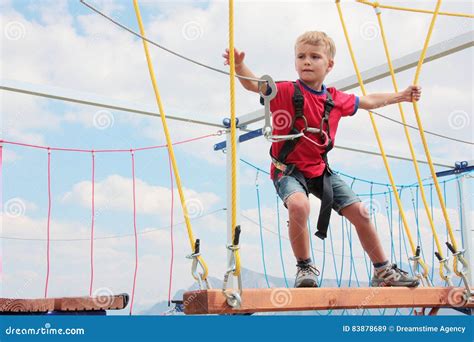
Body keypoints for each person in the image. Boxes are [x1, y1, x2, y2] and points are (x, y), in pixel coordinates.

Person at [223, 31, 422, 288]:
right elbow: (255, 85)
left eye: (314, 57)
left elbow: (370, 101)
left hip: (319, 170)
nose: (307, 61)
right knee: (299, 206)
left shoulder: (335, 99)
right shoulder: (285, 90)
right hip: (288, 170)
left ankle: (383, 270)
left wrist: (401, 96)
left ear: (329, 65)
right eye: (301, 56)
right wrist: (239, 66)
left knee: (361, 212)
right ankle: (304, 267)